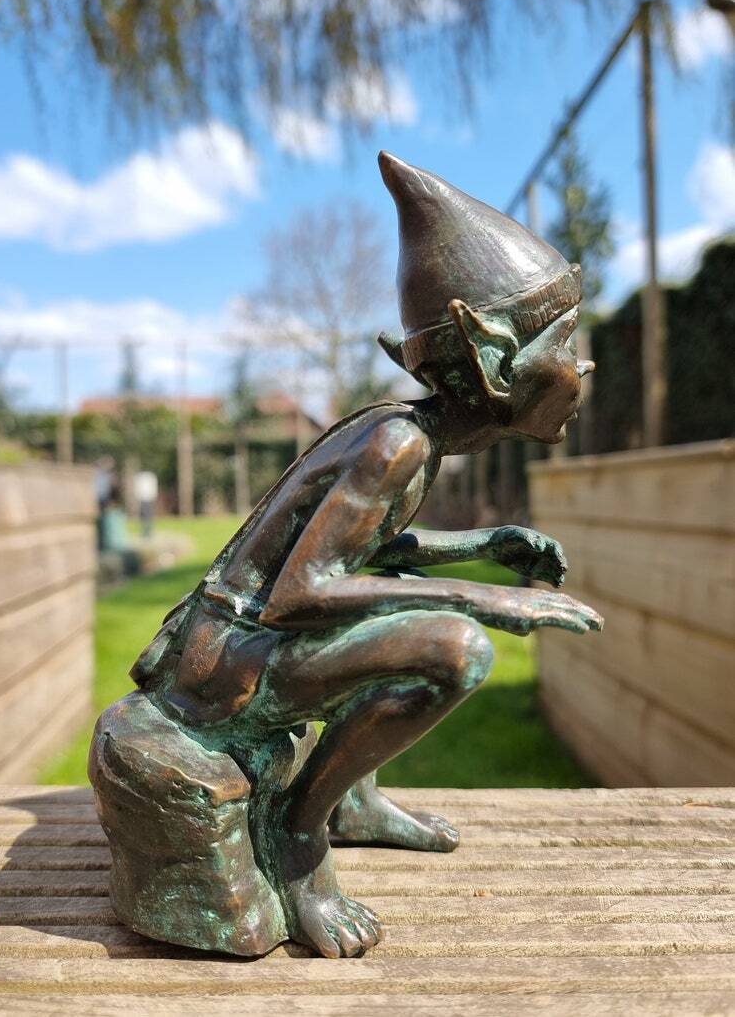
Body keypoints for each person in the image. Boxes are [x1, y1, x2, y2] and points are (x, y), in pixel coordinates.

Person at [125, 152, 603, 958]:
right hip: (226, 667)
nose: (582, 365)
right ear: (494, 362)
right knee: (454, 652)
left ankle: (354, 804)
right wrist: (488, 599)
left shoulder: (408, 435)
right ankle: (299, 834)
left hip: (240, 646)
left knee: (401, 599)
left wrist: (484, 546)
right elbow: (300, 593)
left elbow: (362, 551)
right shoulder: (397, 445)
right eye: (567, 342)